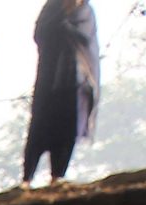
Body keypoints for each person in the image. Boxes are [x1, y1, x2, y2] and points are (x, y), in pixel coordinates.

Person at [23, 0, 98, 185]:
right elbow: (39, 34)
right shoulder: (52, 7)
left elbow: (85, 38)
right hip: (49, 79)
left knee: (67, 130)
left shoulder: (86, 11)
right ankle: (27, 177)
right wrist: (62, 19)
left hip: (76, 81)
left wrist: (65, 26)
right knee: (39, 126)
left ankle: (57, 176)